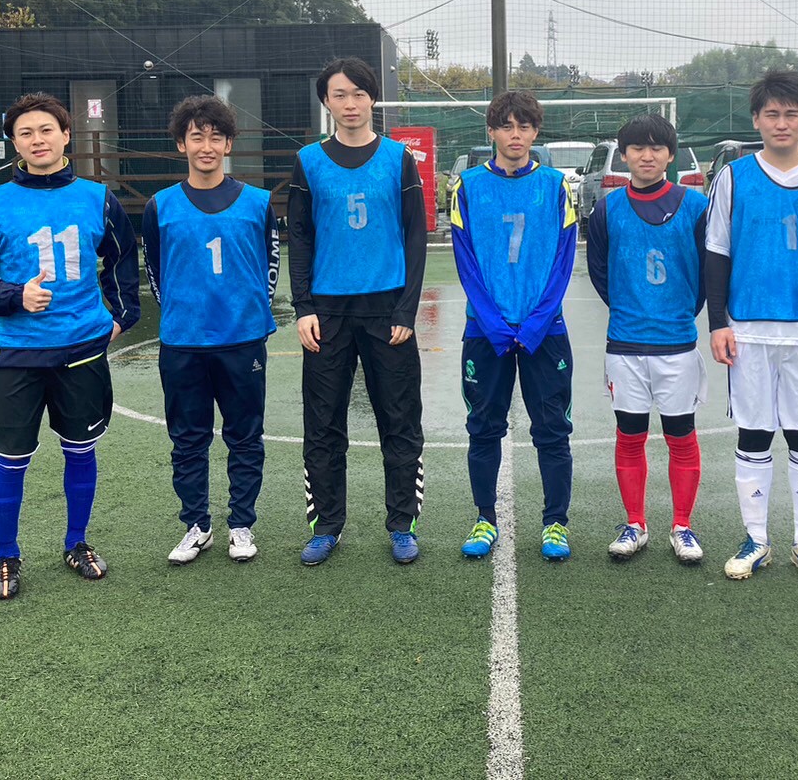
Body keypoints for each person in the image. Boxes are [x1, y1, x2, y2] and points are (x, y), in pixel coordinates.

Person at [0, 92, 139, 600]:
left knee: (80, 449)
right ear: (15, 143)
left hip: (81, 350)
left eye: (46, 130)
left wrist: (122, 316)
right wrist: (13, 296)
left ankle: (76, 543)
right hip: (16, 352)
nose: (38, 140)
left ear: (66, 135)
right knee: (12, 457)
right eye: (26, 133)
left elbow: (123, 256)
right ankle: (6, 554)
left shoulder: (98, 198)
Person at [706, 71, 798, 584]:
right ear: (756, 120)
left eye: (792, 114)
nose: (781, 123)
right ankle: (756, 540)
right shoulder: (734, 176)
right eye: (772, 114)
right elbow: (717, 250)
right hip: (748, 329)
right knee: (754, 433)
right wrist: (718, 322)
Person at [288, 57, 427, 566]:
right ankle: (326, 526)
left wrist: (406, 311)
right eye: (339, 95)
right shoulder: (308, 160)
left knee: (399, 421)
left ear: (372, 99)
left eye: (359, 94)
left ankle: (402, 524)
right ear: (326, 101)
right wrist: (303, 306)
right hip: (327, 313)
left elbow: (415, 236)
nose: (350, 104)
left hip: (387, 310)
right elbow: (299, 236)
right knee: (323, 425)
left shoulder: (398, 158)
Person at [143, 95, 280, 566]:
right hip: (183, 342)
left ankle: (241, 523)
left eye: (215, 137)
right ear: (181, 144)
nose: (206, 146)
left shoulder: (259, 203)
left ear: (229, 144)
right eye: (196, 137)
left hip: (243, 340)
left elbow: (270, 266)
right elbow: (156, 271)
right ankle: (197, 526)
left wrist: (248, 312)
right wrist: (182, 313)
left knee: (245, 436)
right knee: (188, 439)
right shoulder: (160, 206)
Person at [450, 90, 578, 561]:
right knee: (483, 428)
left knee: (553, 430)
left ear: (535, 131)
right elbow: (466, 261)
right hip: (486, 332)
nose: (515, 135)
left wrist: (538, 321)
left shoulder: (556, 186)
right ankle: (485, 518)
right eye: (506, 126)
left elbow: (564, 260)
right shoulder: (467, 186)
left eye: (524, 126)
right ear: (491, 131)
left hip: (545, 330)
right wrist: (494, 323)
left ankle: (555, 524)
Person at [585, 113, 709, 564]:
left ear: (670, 155)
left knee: (681, 436)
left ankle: (682, 526)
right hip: (626, 344)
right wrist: (627, 308)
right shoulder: (608, 208)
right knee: (630, 434)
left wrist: (679, 312)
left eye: (657, 147)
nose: (647, 155)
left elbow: (707, 272)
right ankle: (635, 523)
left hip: (677, 344)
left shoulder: (695, 206)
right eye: (637, 147)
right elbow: (599, 270)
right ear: (624, 155)